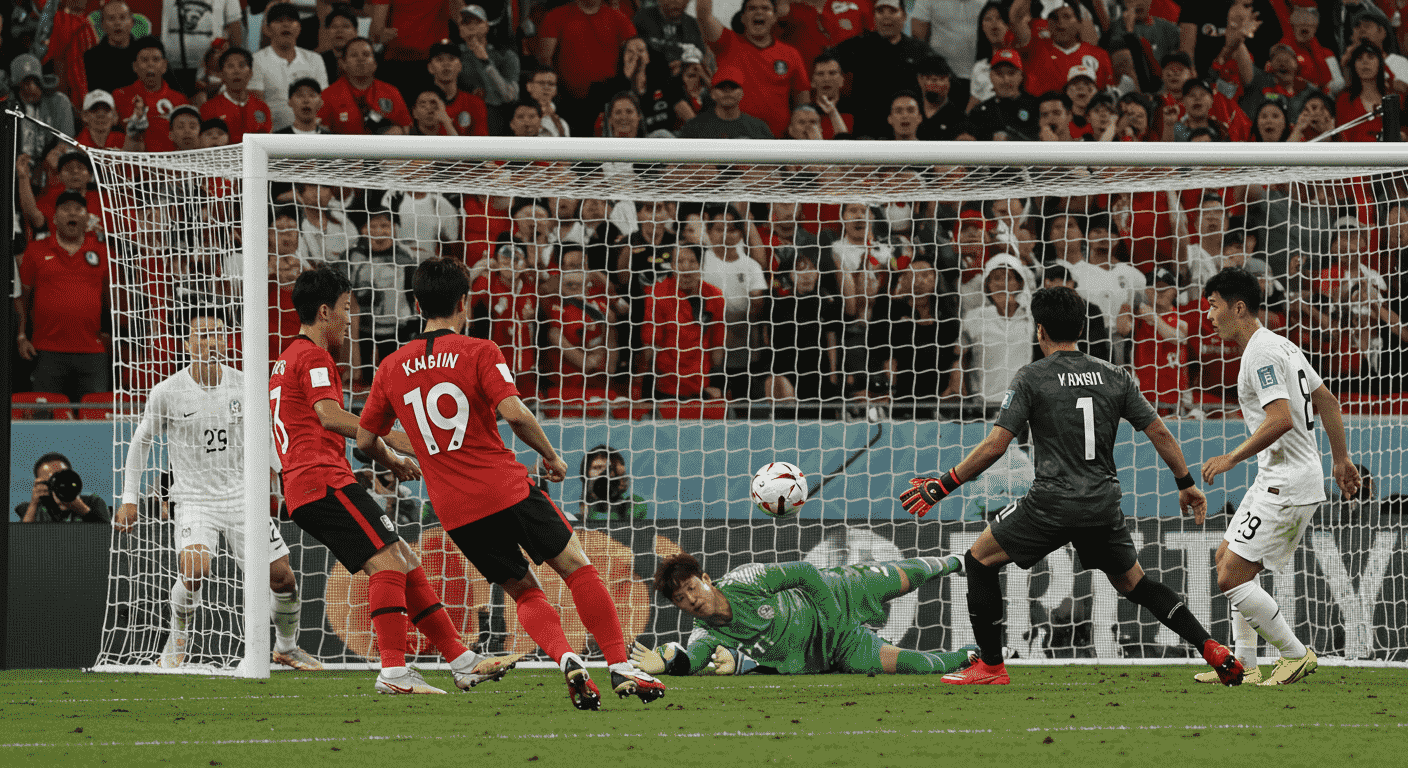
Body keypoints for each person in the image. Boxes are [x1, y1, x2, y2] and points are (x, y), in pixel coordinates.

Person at [355, 258, 666, 709]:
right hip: (506, 488)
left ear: (417, 305)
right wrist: (552, 457)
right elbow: (515, 414)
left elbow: (366, 441)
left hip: (455, 510)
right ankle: (619, 664)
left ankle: (565, 658)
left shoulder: (391, 366)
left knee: (523, 591)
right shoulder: (480, 351)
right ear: (464, 302)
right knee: (577, 568)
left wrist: (398, 459)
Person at [901, 286, 1245, 686]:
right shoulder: (1115, 375)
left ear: (1040, 330)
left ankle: (991, 667)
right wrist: (1185, 483)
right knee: (1136, 583)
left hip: (1050, 503)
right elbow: (1160, 432)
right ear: (1081, 328)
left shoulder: (1032, 376)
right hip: (1101, 504)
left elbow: (996, 445)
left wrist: (942, 485)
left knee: (979, 560)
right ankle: (1211, 647)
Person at [271, 267, 518, 694]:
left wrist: (389, 456)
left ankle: (461, 660)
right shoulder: (312, 356)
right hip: (323, 481)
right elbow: (329, 416)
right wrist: (397, 439)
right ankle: (393, 671)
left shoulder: (286, 359)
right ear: (325, 311)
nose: (350, 320)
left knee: (404, 559)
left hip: (309, 482)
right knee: (387, 564)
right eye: (346, 309)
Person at [113, 309, 319, 671]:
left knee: (282, 577)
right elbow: (141, 441)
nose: (213, 342)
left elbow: (267, 438)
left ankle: (286, 647)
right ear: (187, 343)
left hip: (244, 497)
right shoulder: (168, 392)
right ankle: (178, 636)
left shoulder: (246, 385)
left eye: (219, 334)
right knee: (195, 569)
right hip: (195, 499)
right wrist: (130, 498)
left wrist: (287, 476)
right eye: (204, 335)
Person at [1198, 267, 1360, 686]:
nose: (1209, 316)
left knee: (1230, 576)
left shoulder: (1262, 353)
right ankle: (1245, 665)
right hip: (1274, 476)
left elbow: (1281, 419)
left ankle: (1295, 654)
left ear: (1238, 308)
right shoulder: (1281, 345)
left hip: (1287, 483)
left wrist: (1231, 457)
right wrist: (1340, 459)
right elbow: (1327, 400)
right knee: (1225, 559)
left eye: (1213, 306)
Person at [634, 553, 972, 676]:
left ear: (706, 579)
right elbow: (692, 660)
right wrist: (666, 664)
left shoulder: (745, 580)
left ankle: (957, 561)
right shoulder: (706, 633)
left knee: (908, 575)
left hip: (839, 592)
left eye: (692, 587)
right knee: (915, 665)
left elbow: (806, 572)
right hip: (836, 650)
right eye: (680, 598)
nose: (691, 600)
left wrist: (835, 618)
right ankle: (973, 656)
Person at [15, 191, 111, 404]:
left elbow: (108, 298)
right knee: (46, 416)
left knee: (95, 415)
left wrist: (108, 333)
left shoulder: (102, 251)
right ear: (55, 218)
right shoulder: (36, 250)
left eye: (78, 209)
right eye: (66, 209)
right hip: (46, 350)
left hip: (92, 352)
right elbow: (23, 296)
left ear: (87, 218)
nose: (72, 213)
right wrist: (21, 336)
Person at [696, 0, 811, 139]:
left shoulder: (791, 54)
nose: (759, 12)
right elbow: (704, 15)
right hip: (733, 139)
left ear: (775, 17)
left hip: (778, 141)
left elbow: (802, 101)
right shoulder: (727, 43)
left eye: (765, 8)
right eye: (752, 8)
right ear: (743, 17)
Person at [833, 0, 932, 139]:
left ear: (904, 16)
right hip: (867, 132)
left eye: (892, 11)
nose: (886, 16)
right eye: (880, 11)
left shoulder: (919, 51)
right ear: (874, 16)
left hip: (906, 134)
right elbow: (825, 64)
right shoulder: (857, 46)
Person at [249, 2, 329, 132]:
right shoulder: (256, 60)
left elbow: (323, 100)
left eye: (291, 20)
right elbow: (257, 106)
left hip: (309, 133)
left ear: (299, 28)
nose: (286, 25)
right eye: (279, 21)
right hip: (273, 134)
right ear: (267, 29)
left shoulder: (314, 59)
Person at [317, 37, 412, 136]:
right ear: (342, 64)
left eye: (366, 54)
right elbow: (320, 131)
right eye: (354, 55)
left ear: (375, 64)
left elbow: (405, 127)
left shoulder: (391, 92)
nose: (360, 59)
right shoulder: (328, 95)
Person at [198, 47, 274, 143]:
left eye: (241, 66)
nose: (236, 71)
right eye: (230, 66)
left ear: (250, 73)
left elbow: (267, 142)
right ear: (221, 74)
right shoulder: (208, 109)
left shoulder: (262, 107)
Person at [678, 65, 775, 138]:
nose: (727, 92)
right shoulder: (694, 127)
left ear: (742, 93)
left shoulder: (758, 128)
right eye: (721, 87)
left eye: (733, 87)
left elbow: (773, 158)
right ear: (712, 93)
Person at [16, 453, 110, 523]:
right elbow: (21, 539)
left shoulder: (92, 502)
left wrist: (83, 510)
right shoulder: (35, 509)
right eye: (51, 480)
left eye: (63, 477)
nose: (59, 484)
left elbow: (107, 537)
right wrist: (33, 505)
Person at [579, 445, 649, 522]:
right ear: (585, 474)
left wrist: (620, 483)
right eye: (597, 468)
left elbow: (638, 507)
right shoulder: (573, 519)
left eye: (609, 468)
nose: (603, 473)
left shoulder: (631, 506)